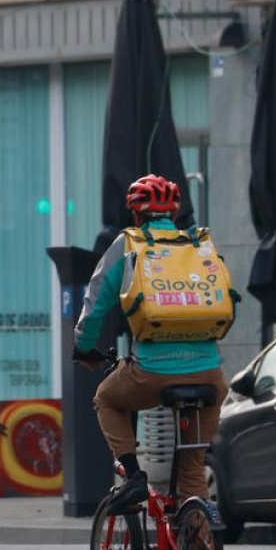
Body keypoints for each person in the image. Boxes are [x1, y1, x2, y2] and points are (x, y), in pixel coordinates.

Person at [72, 173, 230, 511]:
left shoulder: (129, 245)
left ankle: (133, 478)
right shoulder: (200, 244)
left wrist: (84, 346)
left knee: (105, 400)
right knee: (192, 472)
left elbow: (95, 301)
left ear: (135, 214)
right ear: (175, 213)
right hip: (209, 377)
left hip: (152, 374)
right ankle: (195, 523)